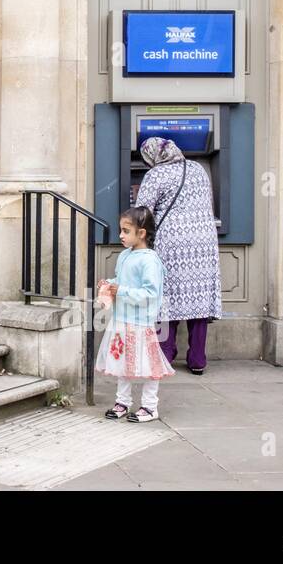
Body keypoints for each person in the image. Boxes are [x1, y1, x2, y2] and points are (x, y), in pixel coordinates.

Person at [135, 136, 222, 375]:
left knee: (167, 297)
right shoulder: (198, 169)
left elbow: (142, 213)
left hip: (172, 243)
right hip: (204, 244)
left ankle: (166, 353)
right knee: (198, 301)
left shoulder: (155, 175)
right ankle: (197, 359)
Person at [95, 206, 174, 422]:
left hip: (140, 323)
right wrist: (109, 284)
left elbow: (151, 293)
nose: (120, 235)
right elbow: (122, 280)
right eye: (121, 230)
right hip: (122, 320)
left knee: (148, 365)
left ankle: (150, 406)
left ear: (141, 233)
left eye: (126, 231)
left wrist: (121, 291)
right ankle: (123, 402)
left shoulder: (149, 260)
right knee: (122, 363)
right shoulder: (124, 255)